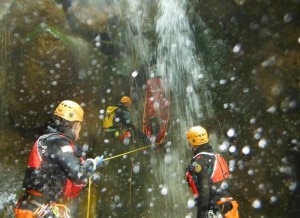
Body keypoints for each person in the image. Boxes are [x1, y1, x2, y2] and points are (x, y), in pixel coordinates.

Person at [14, 100, 104, 218]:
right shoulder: (60, 143)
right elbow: (78, 174)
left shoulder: (46, 139)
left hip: (30, 206)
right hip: (40, 209)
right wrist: (91, 165)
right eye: (79, 125)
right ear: (76, 125)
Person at [185, 126, 239, 218]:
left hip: (215, 209)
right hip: (229, 206)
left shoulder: (199, 162)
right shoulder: (217, 157)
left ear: (192, 142)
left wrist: (201, 214)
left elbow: (205, 192)